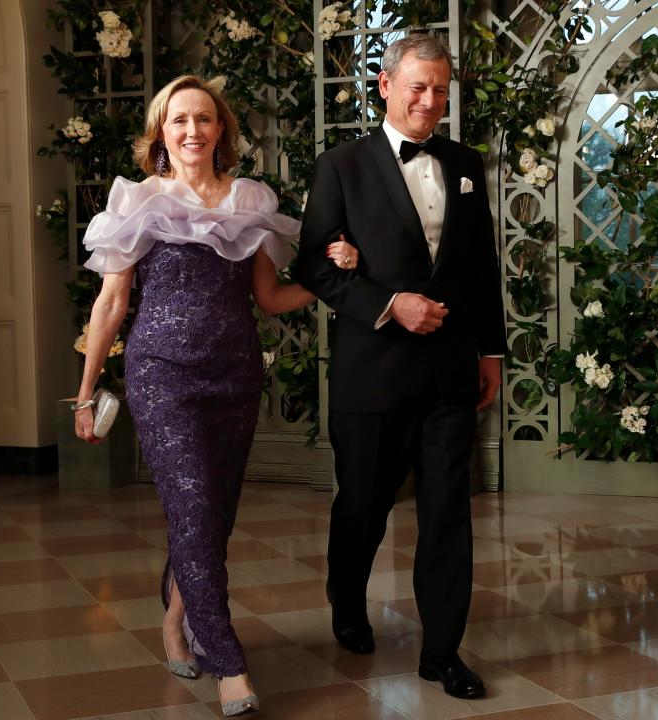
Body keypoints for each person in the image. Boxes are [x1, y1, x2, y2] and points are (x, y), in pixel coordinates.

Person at [72, 74, 358, 717]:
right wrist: (86, 392)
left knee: (210, 516)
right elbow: (112, 303)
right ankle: (229, 662)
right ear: (161, 133)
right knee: (195, 507)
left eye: (204, 119)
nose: (192, 131)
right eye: (179, 120)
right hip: (161, 374)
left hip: (233, 375)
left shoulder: (249, 201)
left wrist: (331, 280)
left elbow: (270, 299)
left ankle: (175, 622)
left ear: (221, 129)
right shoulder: (140, 201)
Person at [293, 34, 506, 699]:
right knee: (364, 505)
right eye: (417, 87)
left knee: (447, 513)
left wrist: (491, 352)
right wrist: (390, 305)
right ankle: (346, 600)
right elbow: (313, 269)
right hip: (372, 373)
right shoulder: (341, 165)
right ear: (385, 85)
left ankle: (442, 652)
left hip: (448, 374)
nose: (430, 101)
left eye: (441, 89)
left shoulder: (466, 163)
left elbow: (480, 271)